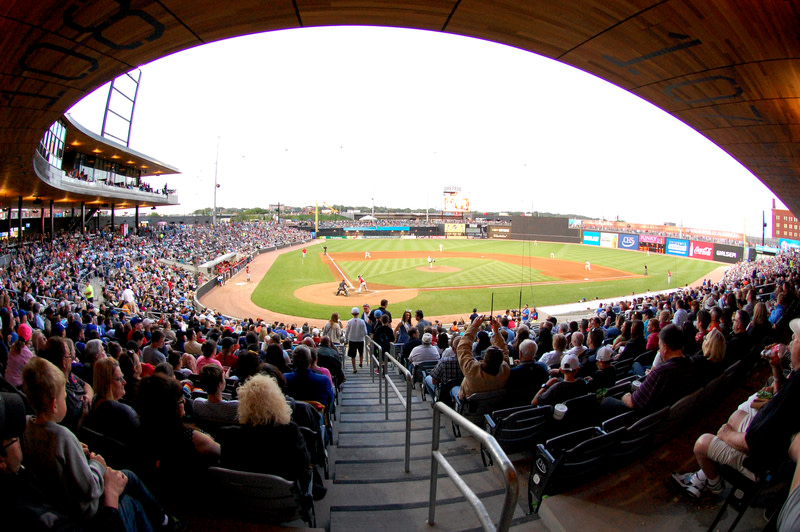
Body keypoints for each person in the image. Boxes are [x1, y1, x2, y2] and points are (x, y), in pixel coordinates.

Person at [21, 358, 172, 530]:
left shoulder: (26, 425)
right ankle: (163, 519)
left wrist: (75, 448)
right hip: (84, 509)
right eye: (64, 396)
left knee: (129, 482)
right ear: (55, 405)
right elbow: (90, 488)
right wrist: (97, 464)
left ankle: (162, 520)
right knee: (129, 482)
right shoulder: (62, 436)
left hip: (58, 501)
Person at [673, 318, 800, 499]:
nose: (789, 342)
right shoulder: (795, 378)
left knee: (703, 442)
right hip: (769, 443)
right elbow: (779, 396)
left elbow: (754, 443)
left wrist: (727, 434)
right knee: (738, 413)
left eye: (794, 339)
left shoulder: (796, 387)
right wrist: (777, 372)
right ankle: (703, 476)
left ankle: (712, 484)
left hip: (760, 465)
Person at [217, 374, 311, 484]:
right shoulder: (289, 432)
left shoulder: (229, 435)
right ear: (277, 400)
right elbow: (303, 465)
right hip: (283, 497)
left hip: (243, 497)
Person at [601, 324, 698, 418]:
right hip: (669, 412)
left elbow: (633, 403)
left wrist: (625, 397)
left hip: (649, 416)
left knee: (607, 401)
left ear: (665, 348)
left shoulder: (661, 373)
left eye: (660, 345)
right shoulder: (692, 363)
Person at [453, 316, 511, 402]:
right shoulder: (505, 369)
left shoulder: (472, 370)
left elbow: (463, 347)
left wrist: (474, 326)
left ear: (484, 359)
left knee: (453, 389)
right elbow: (505, 351)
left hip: (470, 407)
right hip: (492, 404)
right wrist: (496, 332)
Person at [84, 357, 139, 447]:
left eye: (123, 378)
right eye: (119, 379)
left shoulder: (96, 401)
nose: (124, 382)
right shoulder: (122, 412)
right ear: (106, 383)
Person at [505, 339, 549, 405]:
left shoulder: (513, 372)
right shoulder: (543, 367)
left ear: (520, 353)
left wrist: (514, 364)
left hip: (517, 405)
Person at [424, 336, 464, 401]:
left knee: (426, 379)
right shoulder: (473, 362)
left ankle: (435, 401)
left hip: (444, 394)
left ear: (453, 349)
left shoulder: (444, 362)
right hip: (463, 393)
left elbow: (434, 381)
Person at [345, 307, 368, 373]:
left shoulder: (349, 322)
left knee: (353, 355)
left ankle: (354, 368)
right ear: (358, 313)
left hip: (352, 340)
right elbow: (365, 332)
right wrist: (362, 336)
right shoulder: (362, 321)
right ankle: (360, 363)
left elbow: (346, 332)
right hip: (360, 340)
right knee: (361, 352)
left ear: (352, 313)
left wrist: (346, 340)